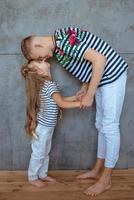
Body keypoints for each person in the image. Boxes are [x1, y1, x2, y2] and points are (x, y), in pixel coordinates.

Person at [21, 26, 128, 196]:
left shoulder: (64, 43)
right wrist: (86, 87)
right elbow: (89, 61)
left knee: (109, 126)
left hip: (112, 77)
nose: (46, 58)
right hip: (102, 80)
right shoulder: (60, 44)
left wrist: (90, 95)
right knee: (101, 125)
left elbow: (99, 59)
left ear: (38, 46)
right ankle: (97, 170)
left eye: (40, 56)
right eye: (41, 59)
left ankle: (106, 179)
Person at [21, 60, 80, 188]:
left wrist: (77, 97)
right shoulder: (49, 86)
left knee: (45, 152)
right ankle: (32, 177)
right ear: (40, 71)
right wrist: (80, 104)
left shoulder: (46, 85)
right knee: (39, 154)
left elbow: (60, 100)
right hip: (42, 129)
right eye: (40, 61)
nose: (44, 60)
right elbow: (62, 104)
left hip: (47, 127)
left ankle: (42, 174)